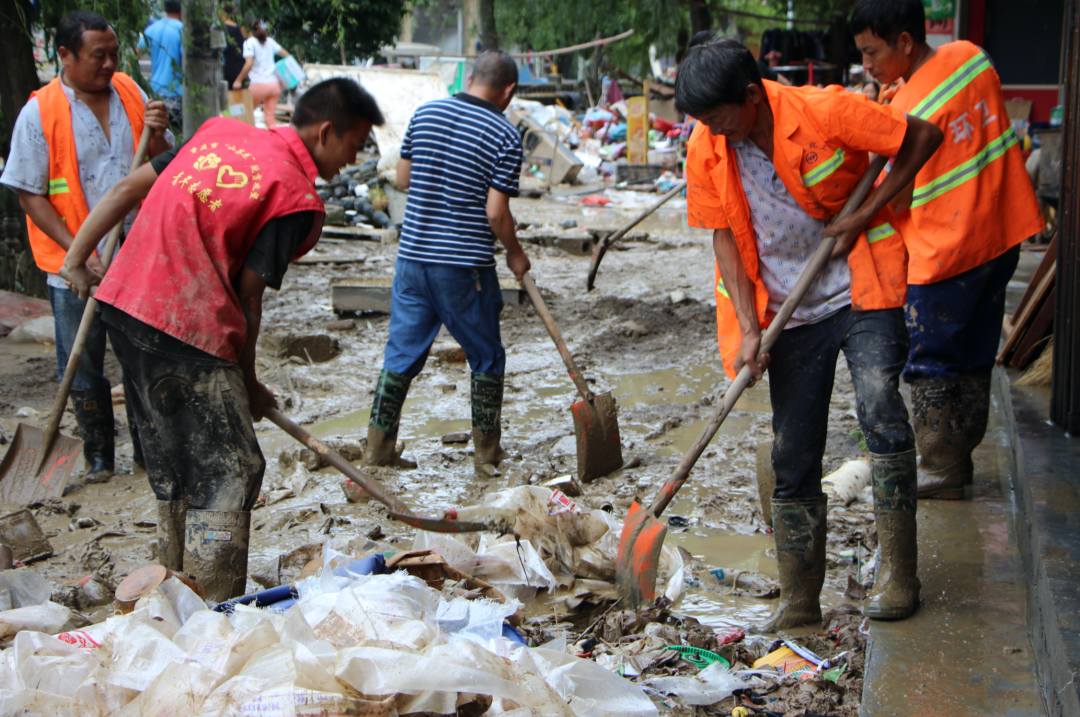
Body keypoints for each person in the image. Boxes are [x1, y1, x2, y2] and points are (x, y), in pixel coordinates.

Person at [60, 78, 384, 601]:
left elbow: (123, 191)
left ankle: (170, 591)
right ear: (326, 132)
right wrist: (249, 382)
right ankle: (212, 605)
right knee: (234, 468)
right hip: (186, 324)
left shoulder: (217, 133)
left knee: (174, 462)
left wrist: (76, 259)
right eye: (354, 145)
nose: (353, 159)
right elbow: (249, 297)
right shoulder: (295, 197)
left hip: (122, 307)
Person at [677, 39, 942, 626]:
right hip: (787, 313)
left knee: (880, 407)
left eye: (717, 117)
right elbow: (724, 238)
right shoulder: (708, 144)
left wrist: (864, 214)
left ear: (750, 97)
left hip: (859, 288)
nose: (710, 130)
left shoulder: (825, 110)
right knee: (793, 452)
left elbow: (922, 136)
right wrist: (749, 328)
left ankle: (901, 575)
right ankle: (800, 601)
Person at [850, 0, 1045, 500]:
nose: (867, 66)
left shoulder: (903, 110)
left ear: (905, 43)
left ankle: (939, 466)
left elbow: (899, 189)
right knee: (977, 354)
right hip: (1001, 235)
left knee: (932, 360)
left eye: (872, 53)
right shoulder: (973, 58)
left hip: (945, 251)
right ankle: (958, 460)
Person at [0, 10, 173, 485]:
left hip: (136, 255)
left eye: (114, 54)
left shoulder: (131, 94)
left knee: (141, 358)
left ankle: (148, 452)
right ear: (65, 55)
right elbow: (29, 193)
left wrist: (157, 130)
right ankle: (99, 458)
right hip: (73, 265)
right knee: (82, 364)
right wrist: (78, 249)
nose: (109, 63)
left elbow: (159, 164)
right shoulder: (39, 112)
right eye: (99, 55)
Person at [362, 50, 530, 477]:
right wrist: (514, 251)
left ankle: (378, 451)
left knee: (400, 355)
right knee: (487, 357)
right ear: (508, 90)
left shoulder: (426, 113)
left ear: (470, 77)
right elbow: (496, 214)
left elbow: (402, 179)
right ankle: (487, 458)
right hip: (463, 268)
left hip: (412, 261)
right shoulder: (505, 135)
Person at [234, 18, 290, 128]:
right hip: (274, 85)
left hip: (258, 85)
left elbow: (249, 64)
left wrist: (238, 81)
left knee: (243, 113)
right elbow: (287, 55)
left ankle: (245, 141)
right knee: (270, 119)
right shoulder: (269, 41)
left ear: (245, 28)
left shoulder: (249, 42)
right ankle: (275, 142)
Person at [138, 0, 184, 130]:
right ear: (182, 10)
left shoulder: (151, 29)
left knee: (160, 131)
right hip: (177, 92)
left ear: (164, 9)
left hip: (156, 89)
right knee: (177, 132)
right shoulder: (182, 30)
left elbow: (137, 52)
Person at [220, 4, 247, 88]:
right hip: (240, 72)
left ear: (223, 13)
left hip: (227, 72)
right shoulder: (241, 30)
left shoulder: (222, 30)